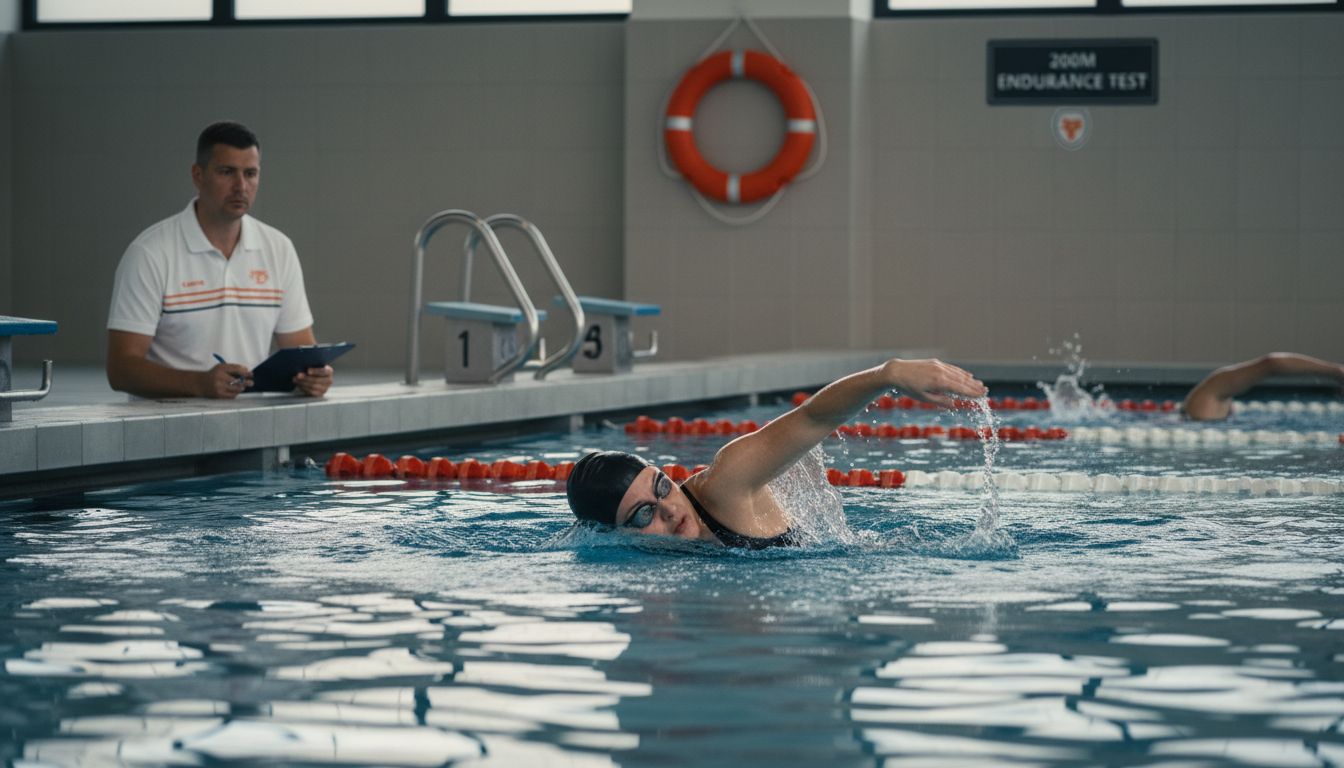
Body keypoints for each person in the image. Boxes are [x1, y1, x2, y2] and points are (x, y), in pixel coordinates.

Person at [566, 358, 987, 549]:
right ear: (612, 534)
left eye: (662, 487)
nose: (670, 510)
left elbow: (812, 419)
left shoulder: (727, 482)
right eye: (644, 515)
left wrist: (887, 374)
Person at [106, 122, 332, 399]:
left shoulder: (279, 248)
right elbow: (121, 369)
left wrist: (314, 377)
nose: (241, 186)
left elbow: (300, 351)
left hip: (251, 422)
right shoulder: (150, 253)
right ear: (198, 175)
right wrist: (198, 383)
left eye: (250, 174)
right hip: (168, 423)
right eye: (227, 172)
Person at [1182, 352, 1344, 421]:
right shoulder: (1203, 400)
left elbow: (1272, 362)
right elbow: (1272, 363)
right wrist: (1336, 372)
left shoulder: (1200, 407)